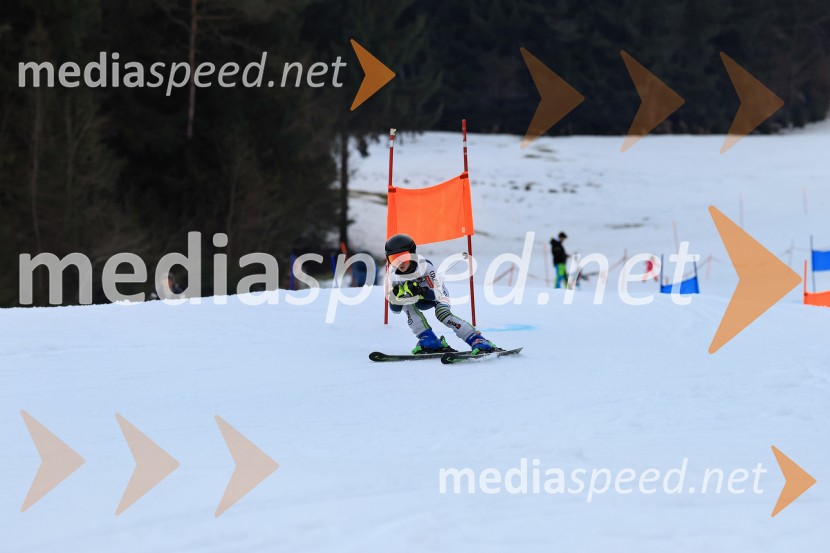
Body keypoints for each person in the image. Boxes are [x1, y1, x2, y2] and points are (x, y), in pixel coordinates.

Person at [385, 233, 497, 355]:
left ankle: (477, 339)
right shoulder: (392, 276)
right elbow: (395, 310)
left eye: (403, 257)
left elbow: (438, 294)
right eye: (393, 259)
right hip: (417, 301)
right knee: (406, 304)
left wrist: (421, 291)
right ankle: (429, 339)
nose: (399, 263)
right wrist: (395, 299)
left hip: (437, 295)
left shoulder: (425, 266)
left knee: (443, 315)